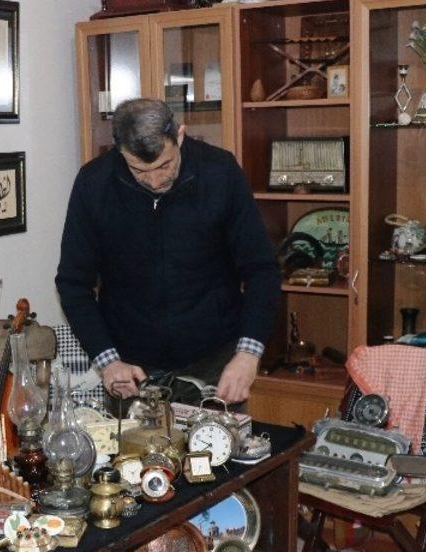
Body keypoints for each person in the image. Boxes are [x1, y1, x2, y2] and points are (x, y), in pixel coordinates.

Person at [55, 98, 279, 406]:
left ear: (180, 136)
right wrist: (107, 361)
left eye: (164, 165)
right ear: (120, 151)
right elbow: (73, 283)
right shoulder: (94, 184)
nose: (155, 180)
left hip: (216, 361)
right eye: (139, 170)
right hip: (130, 368)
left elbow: (261, 270)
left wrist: (248, 354)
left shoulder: (220, 172)